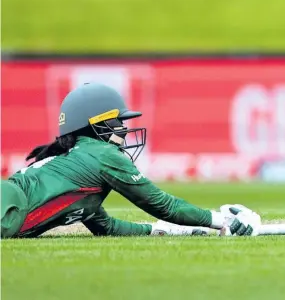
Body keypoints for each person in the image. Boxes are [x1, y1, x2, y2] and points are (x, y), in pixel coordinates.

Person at [1, 82, 261, 238]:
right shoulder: (101, 155)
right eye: (118, 122)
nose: (124, 130)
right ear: (94, 125)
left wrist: (167, 231)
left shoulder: (82, 165)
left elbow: (107, 228)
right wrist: (223, 221)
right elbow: (162, 204)